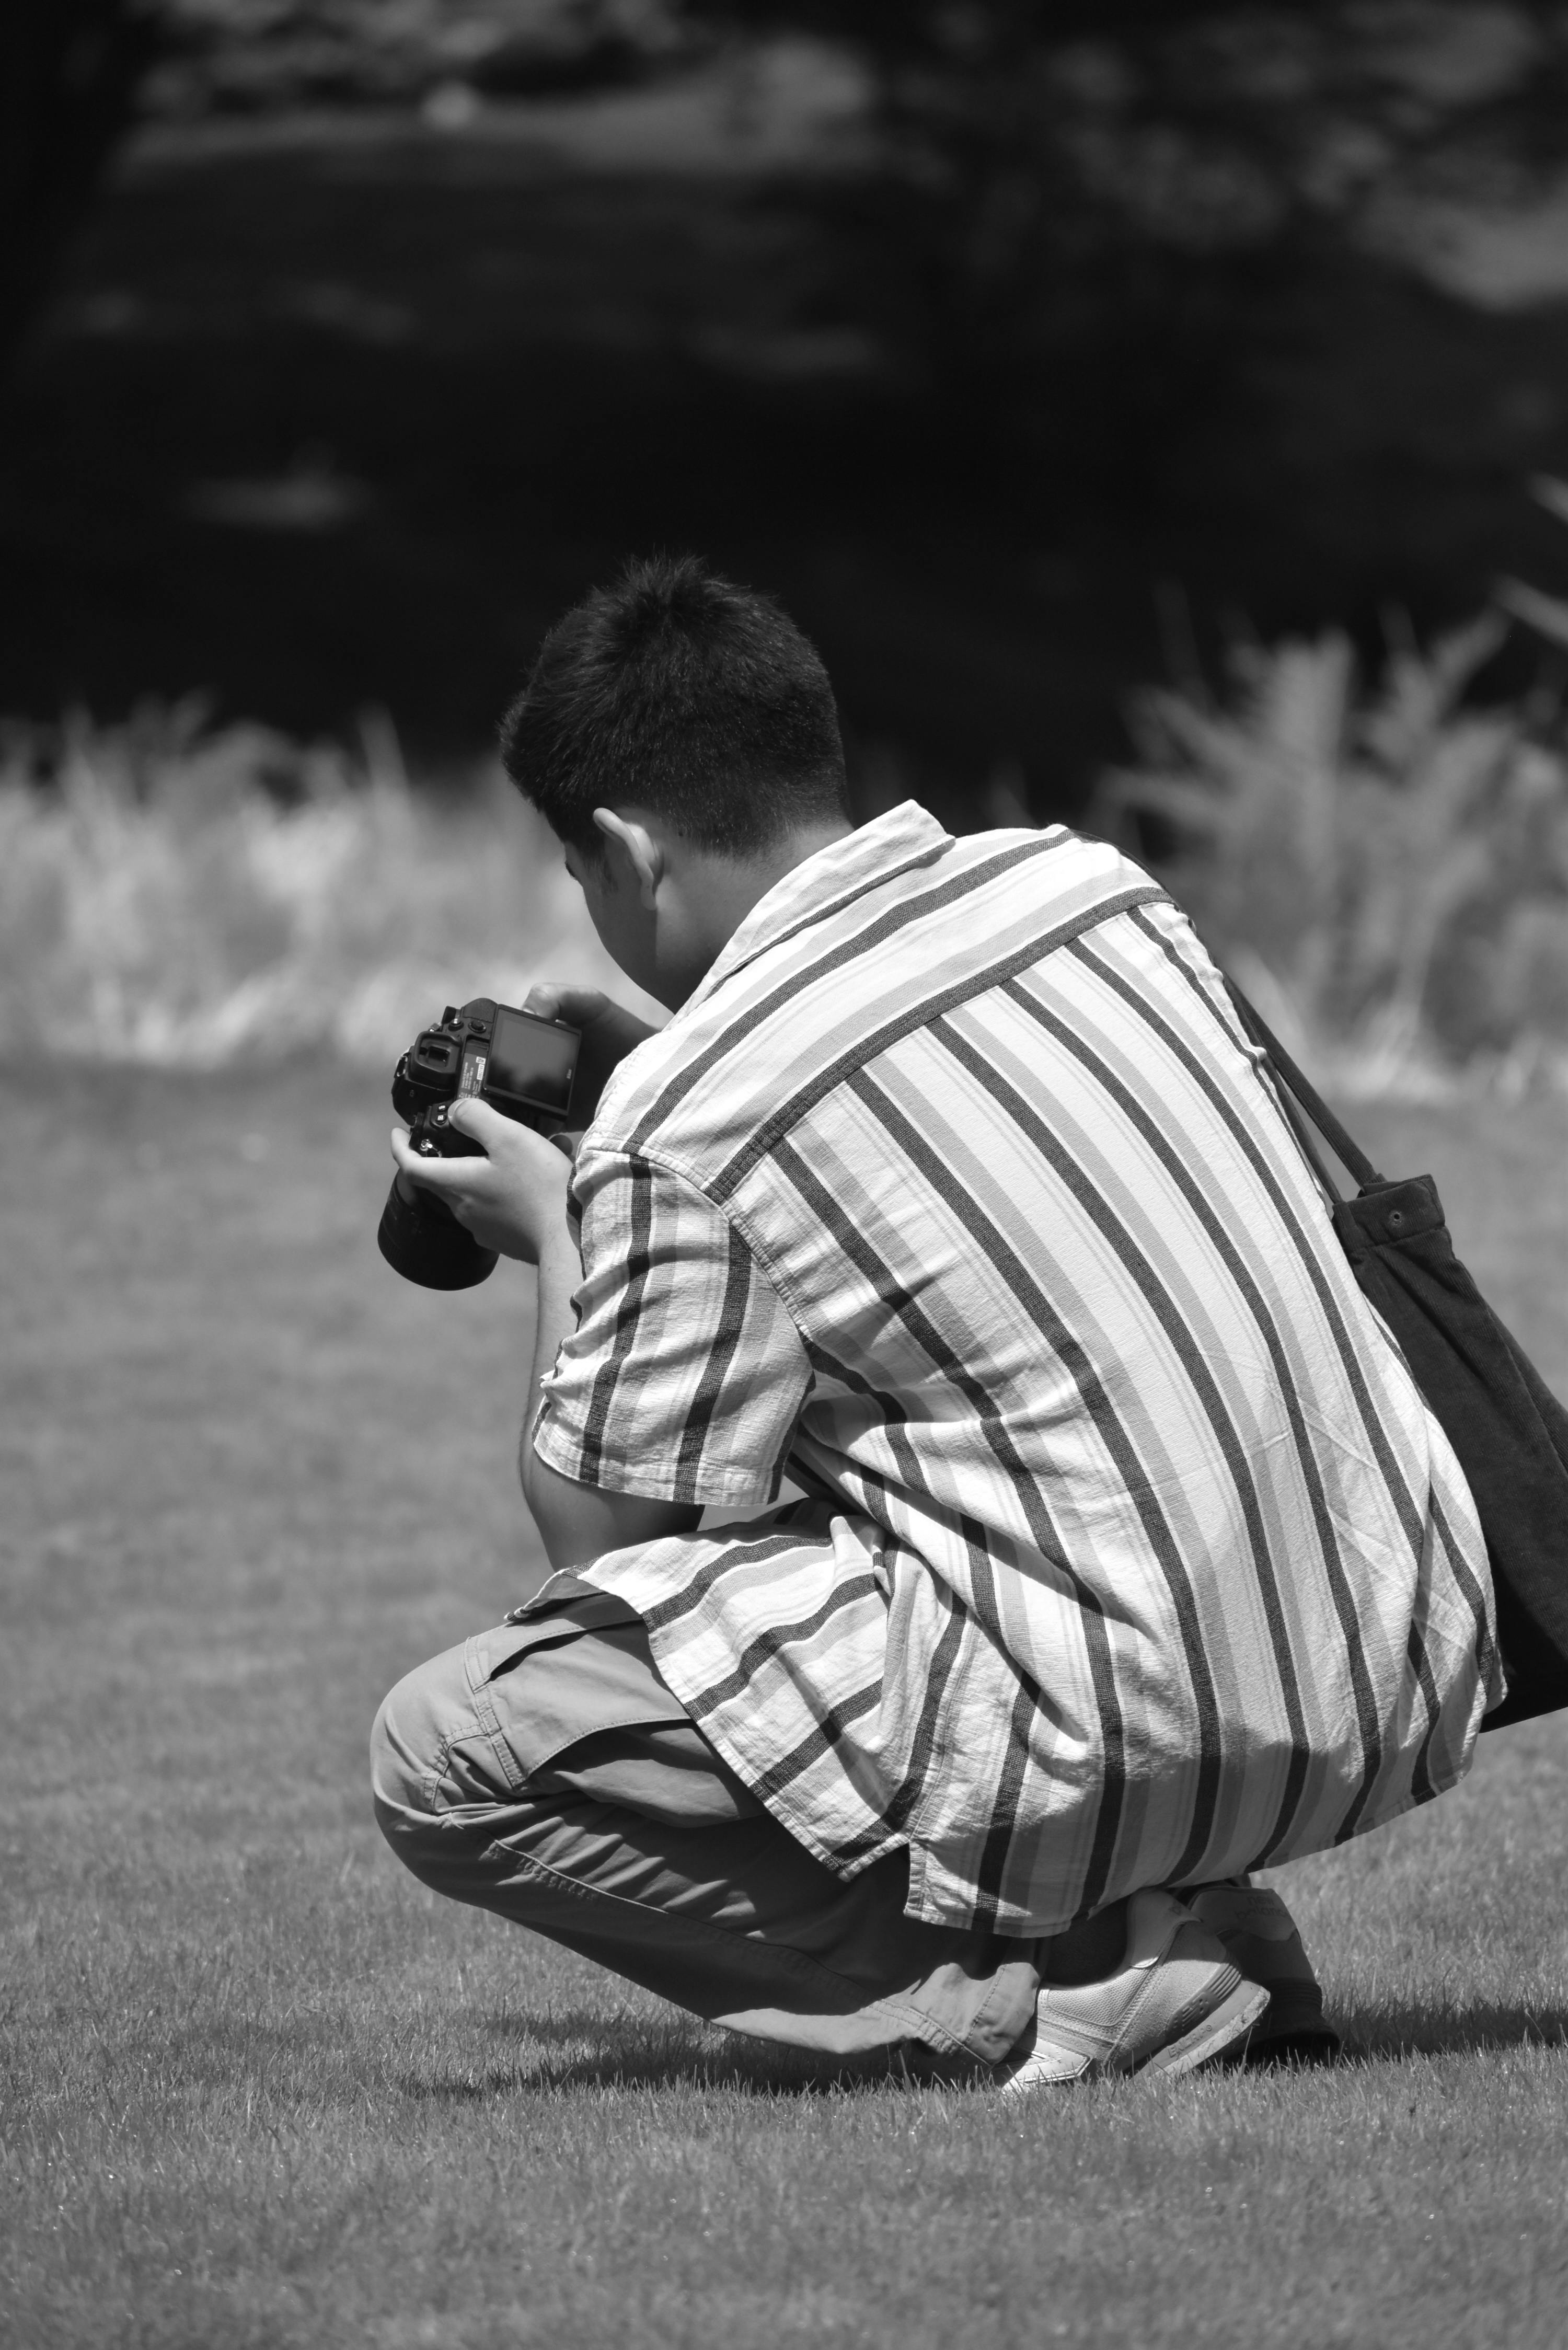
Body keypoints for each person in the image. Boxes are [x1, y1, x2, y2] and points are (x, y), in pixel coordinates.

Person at [371, 555, 1501, 2089]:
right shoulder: (1093, 887)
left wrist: (567, 1224)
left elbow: (608, 1547)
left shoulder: (694, 1116)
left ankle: (1051, 1992)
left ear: (626, 851)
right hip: (1401, 1654)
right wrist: (653, 1080)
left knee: (449, 1751)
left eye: (579, 869)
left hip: (1152, 1727)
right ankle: (1193, 1917)